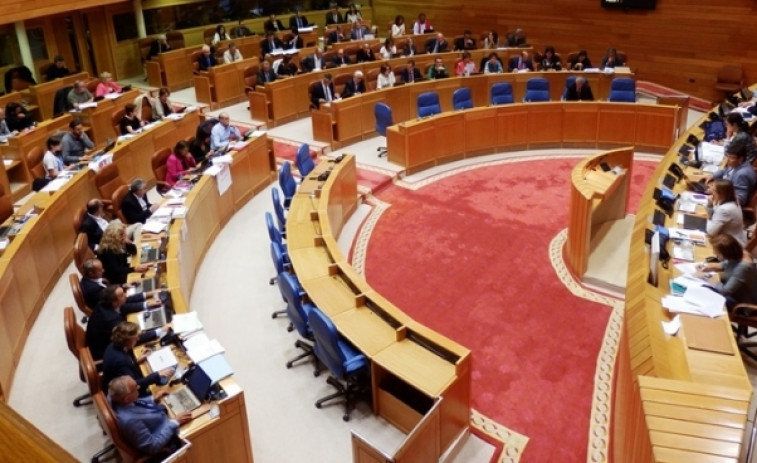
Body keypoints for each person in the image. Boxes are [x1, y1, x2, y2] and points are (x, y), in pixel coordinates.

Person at [109, 376, 191, 457]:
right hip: (169, 441)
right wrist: (175, 422)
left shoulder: (118, 399)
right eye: (135, 387)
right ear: (127, 398)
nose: (139, 387)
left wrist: (153, 399)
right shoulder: (130, 421)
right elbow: (152, 447)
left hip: (164, 417)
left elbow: (136, 403)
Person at [86, 286, 159, 360]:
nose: (125, 295)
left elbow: (124, 304)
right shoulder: (111, 320)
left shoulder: (104, 304)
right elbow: (133, 338)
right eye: (122, 295)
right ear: (114, 302)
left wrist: (146, 304)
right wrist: (159, 331)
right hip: (108, 354)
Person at [102, 322, 173, 396]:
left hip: (122, 381)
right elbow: (134, 385)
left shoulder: (113, 345)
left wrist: (136, 361)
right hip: (126, 395)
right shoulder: (120, 361)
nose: (138, 339)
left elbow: (125, 367)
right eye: (136, 338)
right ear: (128, 341)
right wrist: (157, 375)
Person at [698, 234, 757, 309]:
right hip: (733, 292)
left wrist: (708, 278)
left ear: (727, 253)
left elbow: (725, 291)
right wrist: (710, 266)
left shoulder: (743, 267)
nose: (714, 254)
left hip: (742, 302)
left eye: (717, 253)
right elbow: (727, 264)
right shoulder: (739, 253)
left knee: (704, 296)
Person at [79, 258, 156, 311]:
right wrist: (145, 304)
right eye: (100, 270)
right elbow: (118, 305)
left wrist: (123, 286)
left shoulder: (89, 279)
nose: (103, 271)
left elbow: (109, 291)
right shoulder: (93, 290)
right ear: (91, 273)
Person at [707, 143, 757, 207]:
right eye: (728, 156)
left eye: (731, 157)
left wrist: (717, 193)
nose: (728, 160)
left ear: (740, 159)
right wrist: (713, 176)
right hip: (723, 194)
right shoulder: (736, 164)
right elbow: (725, 171)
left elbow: (741, 199)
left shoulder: (741, 175)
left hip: (729, 206)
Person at [705, 179, 747, 246]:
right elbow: (715, 212)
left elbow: (710, 232)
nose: (711, 192)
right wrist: (711, 205)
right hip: (728, 236)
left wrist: (708, 214)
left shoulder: (725, 209)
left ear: (721, 193)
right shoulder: (730, 198)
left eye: (713, 190)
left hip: (730, 244)